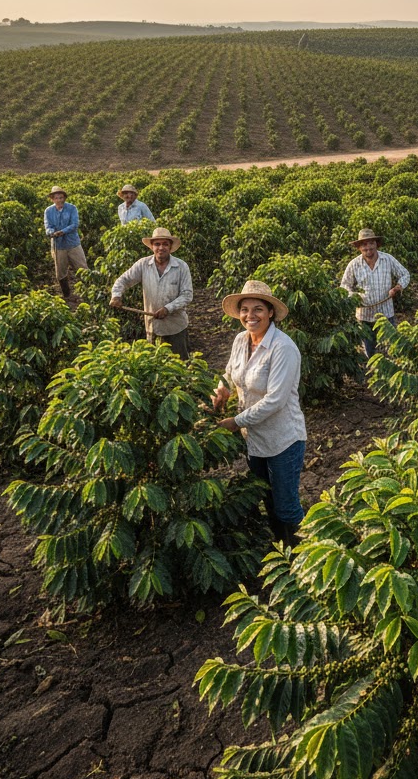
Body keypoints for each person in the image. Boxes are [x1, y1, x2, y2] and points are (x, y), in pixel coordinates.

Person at [212, 280, 307, 547]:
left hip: (283, 439)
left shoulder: (283, 347)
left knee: (286, 505)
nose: (250, 316)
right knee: (267, 497)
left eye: (257, 310)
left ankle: (301, 559)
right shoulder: (240, 340)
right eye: (244, 309)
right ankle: (281, 550)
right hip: (254, 438)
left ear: (270, 313)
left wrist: (235, 422)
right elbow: (229, 375)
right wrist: (221, 391)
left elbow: (275, 400)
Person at [110, 227, 194, 359]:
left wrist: (168, 308)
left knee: (180, 365)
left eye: (165, 244)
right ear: (152, 247)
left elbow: (187, 295)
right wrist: (116, 295)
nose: (161, 248)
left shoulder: (181, 267)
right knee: (156, 365)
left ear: (170, 247)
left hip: (175, 327)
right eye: (157, 244)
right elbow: (124, 279)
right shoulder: (143, 264)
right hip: (153, 327)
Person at [339, 228, 410, 359]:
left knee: (391, 348)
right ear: (359, 248)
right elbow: (344, 286)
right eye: (364, 245)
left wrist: (397, 287)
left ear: (376, 244)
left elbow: (405, 274)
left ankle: (391, 374)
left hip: (386, 313)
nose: (368, 248)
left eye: (371, 244)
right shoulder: (354, 265)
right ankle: (373, 374)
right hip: (364, 315)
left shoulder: (387, 259)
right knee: (369, 350)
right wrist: (353, 296)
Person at [43, 185, 87, 300]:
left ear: (64, 198)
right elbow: (48, 226)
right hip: (59, 245)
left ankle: (88, 292)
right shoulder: (48, 211)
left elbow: (74, 224)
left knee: (82, 268)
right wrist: (51, 232)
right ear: (52, 199)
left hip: (73, 243)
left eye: (61, 198)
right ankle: (67, 295)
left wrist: (62, 231)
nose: (59, 200)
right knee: (60, 271)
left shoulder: (72, 208)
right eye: (56, 198)